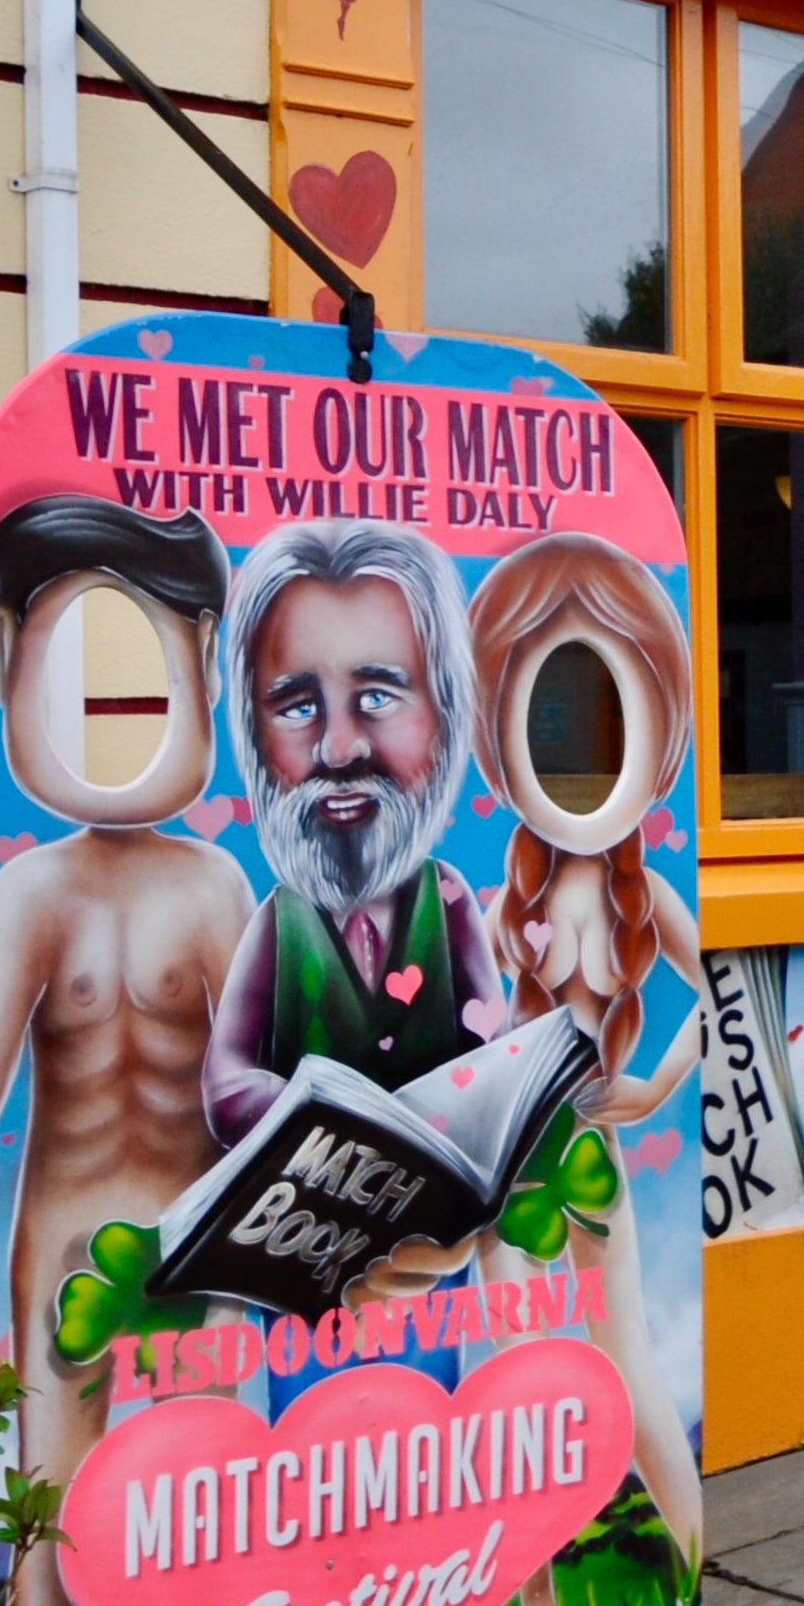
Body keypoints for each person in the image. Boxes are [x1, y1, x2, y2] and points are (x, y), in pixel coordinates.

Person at [0, 496, 254, 1606]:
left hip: (201, 1242)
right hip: (65, 1243)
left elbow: (250, 1082)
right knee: (53, 1520)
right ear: (11, 665)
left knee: (211, 1500)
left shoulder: (214, 886)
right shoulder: (30, 894)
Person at [463, 534, 705, 1560]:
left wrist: (654, 1088)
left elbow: (714, 992)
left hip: (550, 1155)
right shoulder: (513, 902)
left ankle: (631, 1588)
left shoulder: (629, 894)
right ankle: (566, 1591)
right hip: (551, 1157)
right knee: (571, 1363)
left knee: (573, 1366)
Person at [203, 521, 512, 1303]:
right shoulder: (282, 920)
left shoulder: (448, 903)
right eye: (297, 705)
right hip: (300, 1251)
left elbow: (497, 1055)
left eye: (376, 696)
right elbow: (226, 1078)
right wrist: (310, 1113)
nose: (338, 749)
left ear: (442, 714)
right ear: (251, 725)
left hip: (430, 1251)